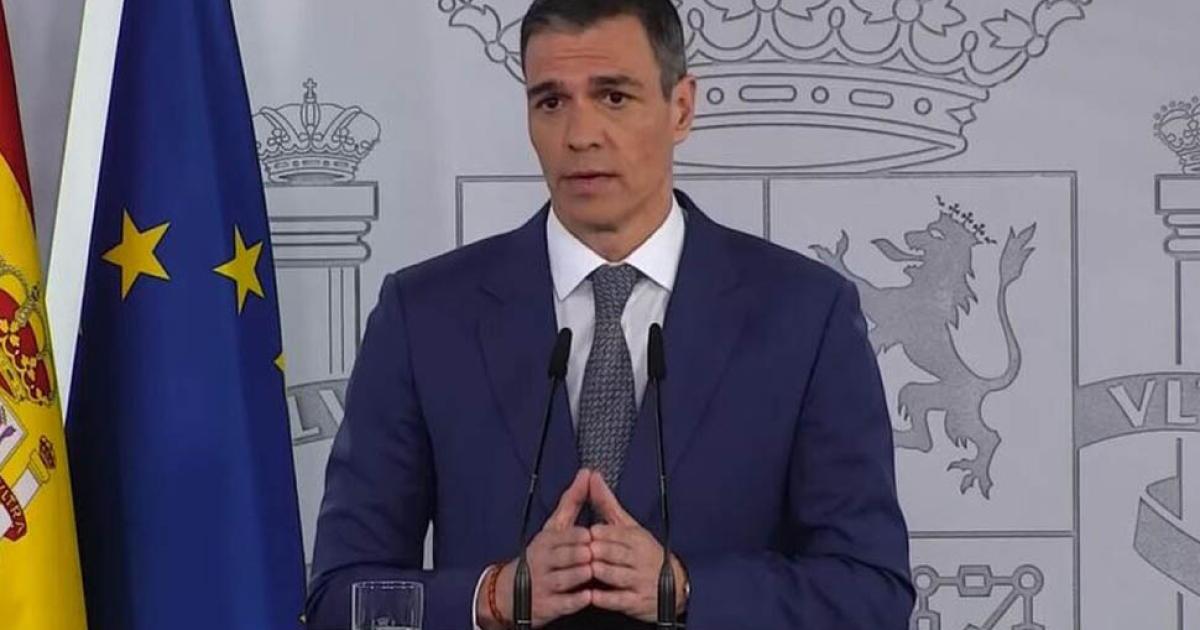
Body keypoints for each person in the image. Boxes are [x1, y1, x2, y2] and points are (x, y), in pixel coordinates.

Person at [304, 1, 914, 628]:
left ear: (681, 108)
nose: (580, 134)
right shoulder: (424, 317)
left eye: (614, 97)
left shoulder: (805, 315)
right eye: (551, 101)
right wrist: (491, 597)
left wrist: (687, 590)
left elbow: (871, 595)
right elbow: (339, 599)